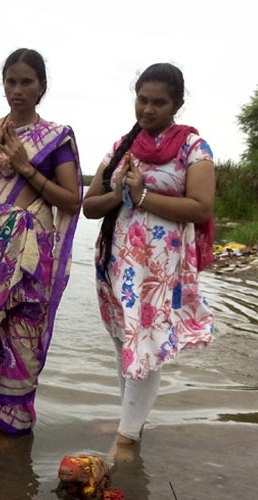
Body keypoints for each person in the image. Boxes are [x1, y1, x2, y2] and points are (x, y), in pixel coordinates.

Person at [0, 48, 82, 434]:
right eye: (11, 81)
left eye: (27, 82)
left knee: (23, 330)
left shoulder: (56, 138)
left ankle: (15, 423)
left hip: (30, 254)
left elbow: (72, 199)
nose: (18, 89)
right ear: (3, 84)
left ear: (42, 87)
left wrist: (25, 167)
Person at [82, 63, 215, 445]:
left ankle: (126, 435)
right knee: (125, 341)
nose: (148, 109)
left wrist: (142, 196)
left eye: (159, 102)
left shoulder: (193, 148)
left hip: (160, 268)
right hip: (117, 260)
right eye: (142, 100)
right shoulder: (121, 146)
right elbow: (91, 206)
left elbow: (201, 207)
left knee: (147, 342)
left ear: (177, 105)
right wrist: (119, 190)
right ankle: (132, 422)